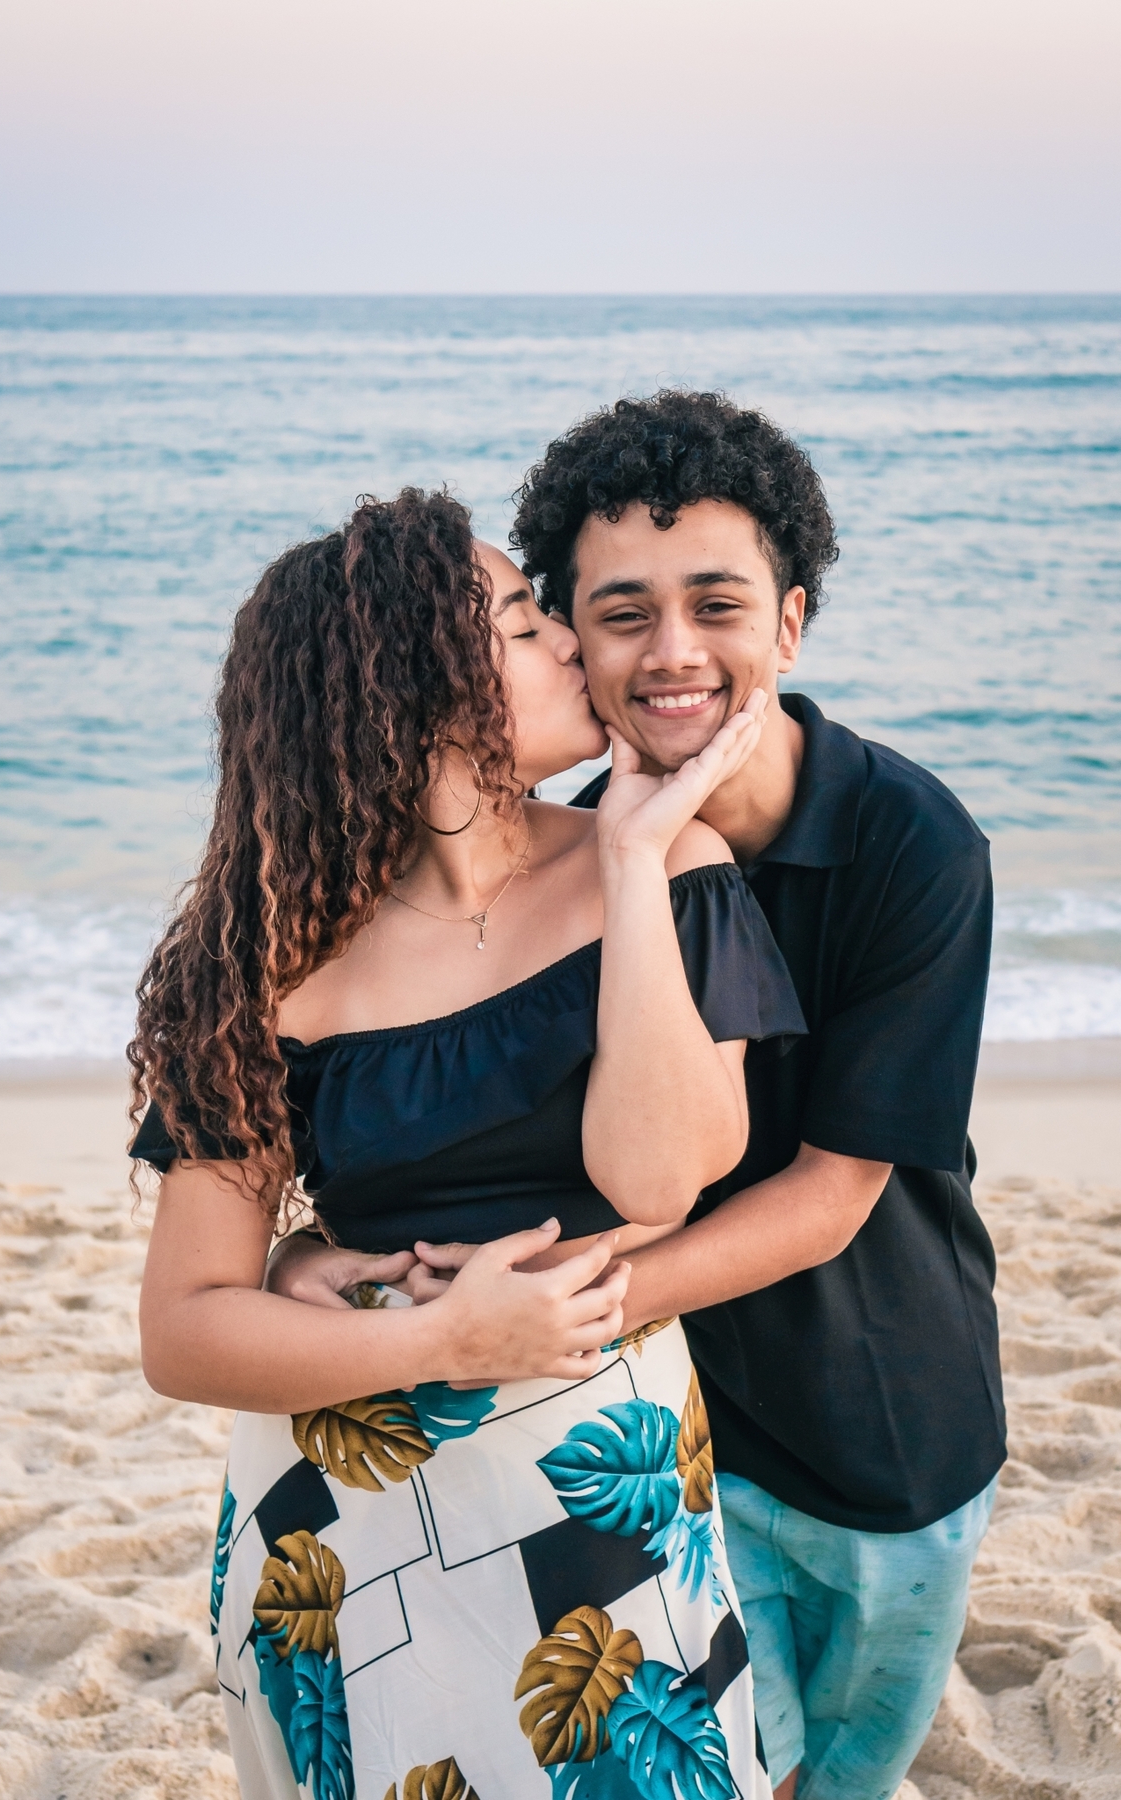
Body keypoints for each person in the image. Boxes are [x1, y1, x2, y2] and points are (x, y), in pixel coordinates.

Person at [276, 396, 1005, 1800]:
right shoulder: (580, 863)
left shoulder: (913, 842)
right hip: (666, 1437)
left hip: (881, 1426)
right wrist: (327, 1258)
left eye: (716, 605)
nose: (673, 653)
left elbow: (833, 1195)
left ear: (788, 627)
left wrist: (549, 1312)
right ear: (569, 644)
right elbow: (454, 1122)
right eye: (620, 614)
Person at [129, 487, 805, 1799]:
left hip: (591, 1480)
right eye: (517, 620)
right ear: (413, 695)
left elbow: (658, 1178)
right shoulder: (267, 957)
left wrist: (630, 855)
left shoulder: (667, 868)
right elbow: (184, 1329)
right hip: (343, 1502)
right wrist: (437, 1340)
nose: (569, 637)